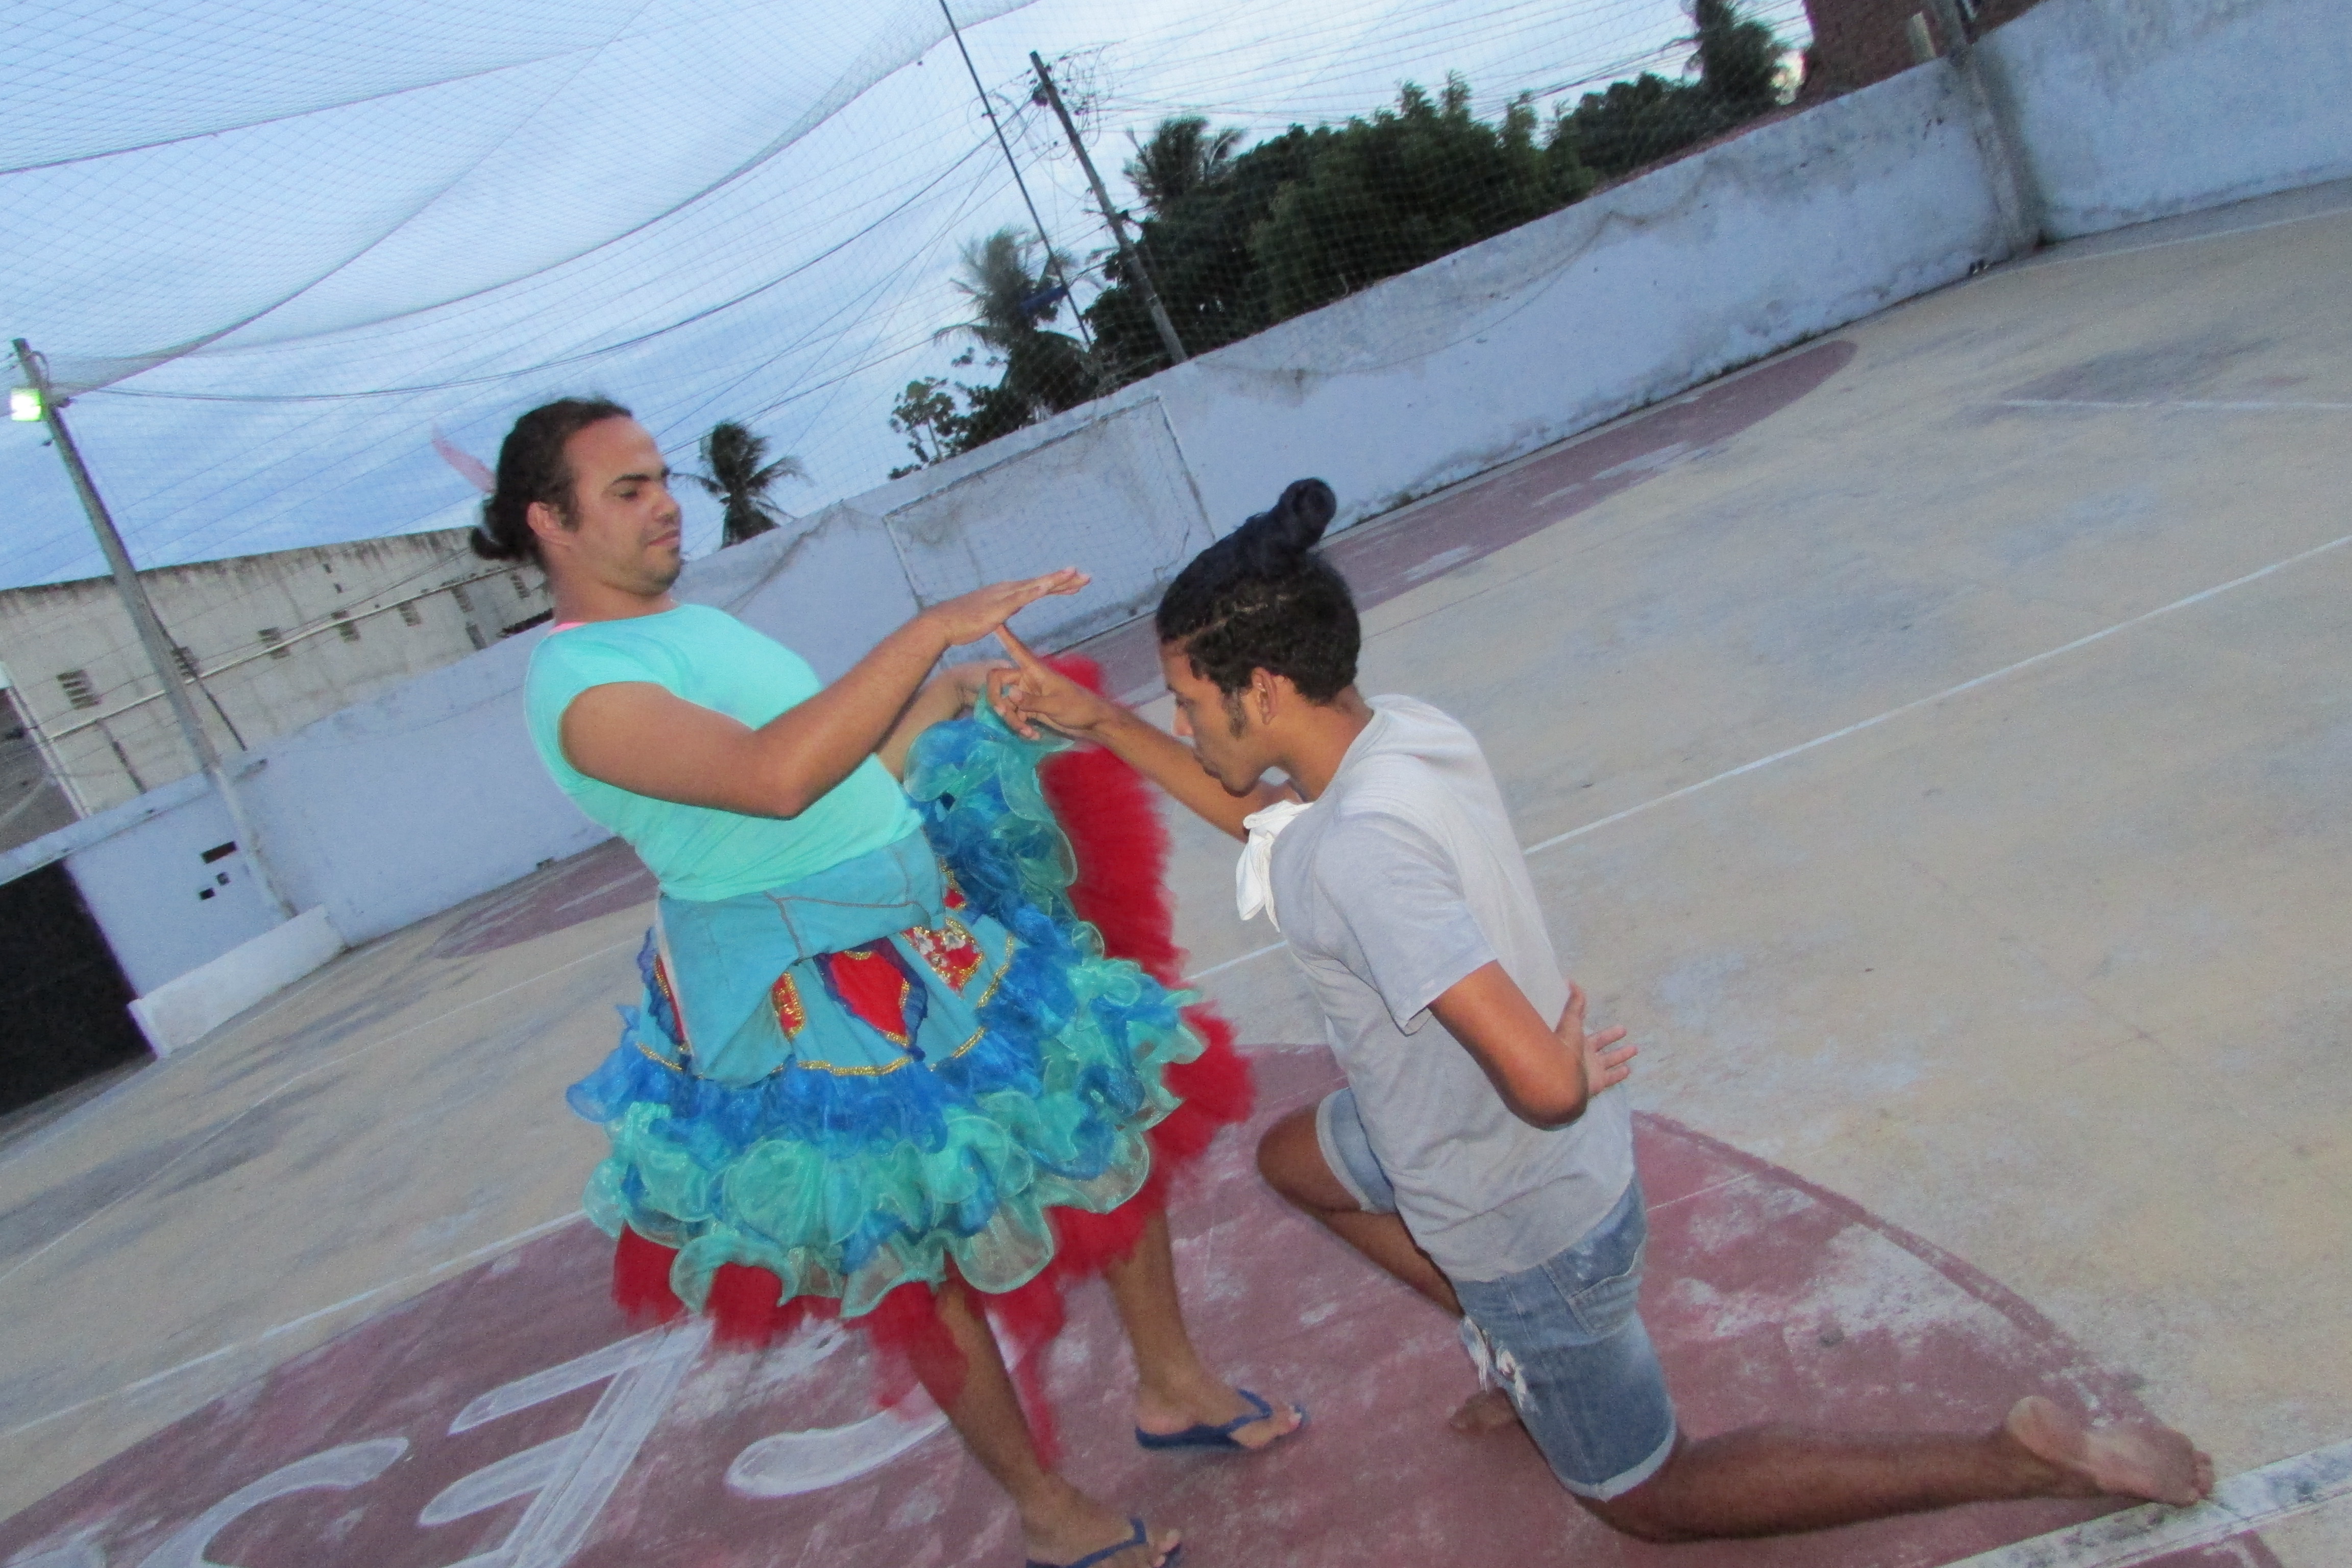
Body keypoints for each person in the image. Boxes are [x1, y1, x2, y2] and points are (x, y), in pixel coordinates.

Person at [987, 477, 2215, 1545]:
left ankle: (2015, 1460)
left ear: (1260, 690)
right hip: (1451, 1135)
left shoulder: (1357, 855)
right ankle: (1510, 1347)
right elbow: (1270, 823)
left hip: (1523, 1219)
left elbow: (1532, 1077)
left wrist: (1557, 1078)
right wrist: (1099, 722)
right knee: (1295, 1159)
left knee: (1647, 1497)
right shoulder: (1395, 736)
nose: (1183, 723)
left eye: (1187, 701)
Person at [475, 398, 1299, 1568]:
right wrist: (926, 633)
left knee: (1098, 1112)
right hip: (811, 998)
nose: (665, 506)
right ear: (547, 523)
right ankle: (1046, 1510)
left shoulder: (690, 628)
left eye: (663, 478)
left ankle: (1173, 1387)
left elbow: (843, 771)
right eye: (628, 490)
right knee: (912, 1253)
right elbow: (774, 780)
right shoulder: (580, 686)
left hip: (922, 935)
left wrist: (949, 697)